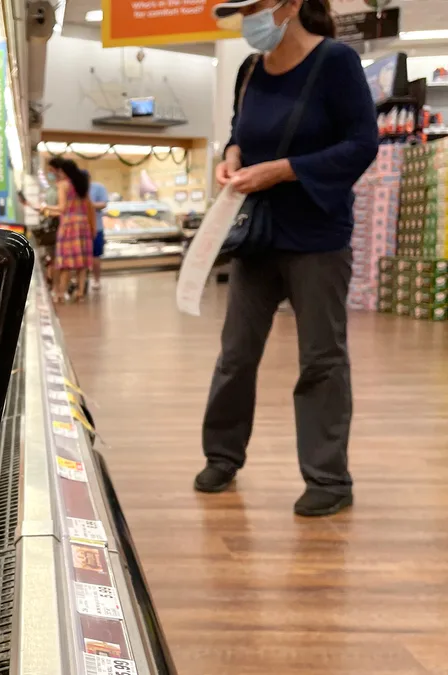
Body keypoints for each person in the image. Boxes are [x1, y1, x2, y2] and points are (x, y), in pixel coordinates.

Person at [195, 0, 378, 517]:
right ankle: (222, 456)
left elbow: (363, 144)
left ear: (290, 5)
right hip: (256, 237)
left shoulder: (336, 63)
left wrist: (282, 171)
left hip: (318, 237)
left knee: (322, 357)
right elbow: (239, 133)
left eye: (252, 8)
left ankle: (328, 478)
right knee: (235, 355)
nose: (245, 20)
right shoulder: (249, 69)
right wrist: (231, 157)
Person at [45, 157, 96, 303]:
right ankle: (80, 293)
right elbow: (88, 206)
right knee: (82, 263)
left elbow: (62, 208)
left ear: (63, 171)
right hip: (83, 224)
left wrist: (45, 208)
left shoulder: (64, 185)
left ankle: (60, 294)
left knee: (65, 262)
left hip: (69, 225)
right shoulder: (82, 184)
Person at [89, 180, 109, 290]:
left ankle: (96, 280)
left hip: (97, 228)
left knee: (96, 256)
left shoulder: (98, 188)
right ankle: (83, 281)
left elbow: (104, 204)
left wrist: (88, 205)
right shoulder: (75, 189)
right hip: (81, 230)